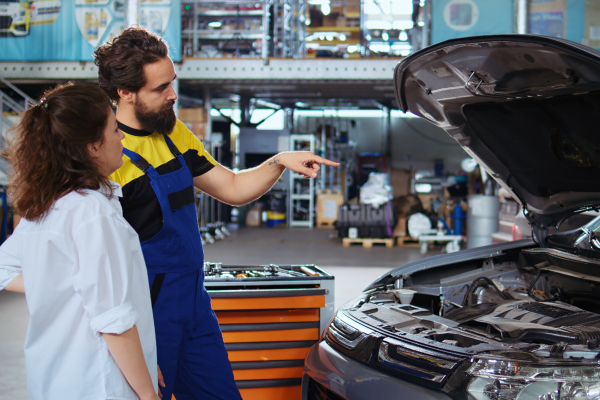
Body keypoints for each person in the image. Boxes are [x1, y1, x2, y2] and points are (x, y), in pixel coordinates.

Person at [94, 26, 339, 400]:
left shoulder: (173, 132)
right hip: (146, 311)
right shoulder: (106, 158)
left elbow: (233, 188)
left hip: (194, 303)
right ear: (125, 92)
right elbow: (99, 268)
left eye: (172, 82)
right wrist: (131, 343)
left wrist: (277, 162)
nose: (173, 95)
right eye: (160, 89)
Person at [0, 83, 161, 400]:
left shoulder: (46, 207)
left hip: (57, 380)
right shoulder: (92, 214)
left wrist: (61, 284)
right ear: (93, 147)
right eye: (114, 129)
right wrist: (148, 393)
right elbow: (114, 321)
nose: (122, 137)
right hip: (101, 381)